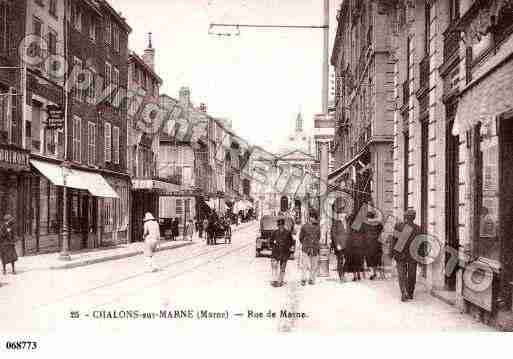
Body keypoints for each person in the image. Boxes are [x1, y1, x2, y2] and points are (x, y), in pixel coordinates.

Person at [391, 209, 422, 302]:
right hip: (413, 255)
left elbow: (394, 241)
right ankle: (410, 292)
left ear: (405, 217)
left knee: (401, 274)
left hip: (400, 254)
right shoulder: (418, 228)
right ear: (414, 217)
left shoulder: (398, 226)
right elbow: (420, 243)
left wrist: (392, 253)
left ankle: (404, 292)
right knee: (412, 274)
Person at [270, 218, 295, 287]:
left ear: (283, 225)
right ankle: (275, 280)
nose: (280, 226)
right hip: (276, 252)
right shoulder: (274, 233)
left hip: (284, 252)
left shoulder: (287, 233)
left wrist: (288, 248)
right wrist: (273, 246)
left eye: (281, 225)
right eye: (279, 225)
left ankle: (280, 281)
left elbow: (291, 242)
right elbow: (270, 242)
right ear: (278, 226)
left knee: (282, 268)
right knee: (274, 267)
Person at [299, 211, 321, 286]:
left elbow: (318, 237)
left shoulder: (318, 227)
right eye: (312, 217)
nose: (313, 219)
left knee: (314, 265)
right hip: (306, 248)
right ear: (310, 218)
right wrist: (305, 244)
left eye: (315, 218)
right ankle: (303, 279)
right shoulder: (304, 226)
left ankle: (311, 279)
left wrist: (315, 244)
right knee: (304, 265)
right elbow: (301, 237)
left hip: (314, 248)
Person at [362, 211, 384, 280]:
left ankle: (373, 273)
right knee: (378, 259)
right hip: (377, 243)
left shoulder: (364, 224)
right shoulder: (378, 224)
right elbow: (381, 229)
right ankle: (380, 275)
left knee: (370, 259)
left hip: (368, 244)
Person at [345, 213, 365, 281]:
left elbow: (348, 235)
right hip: (360, 245)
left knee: (353, 261)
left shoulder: (350, 227)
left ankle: (355, 276)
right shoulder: (360, 226)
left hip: (352, 245)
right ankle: (359, 275)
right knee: (358, 261)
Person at [331, 211, 349, 283]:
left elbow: (349, 233)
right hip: (339, 245)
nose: (342, 215)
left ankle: (343, 274)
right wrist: (337, 244)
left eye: (344, 213)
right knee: (340, 260)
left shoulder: (347, 222)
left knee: (347, 260)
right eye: (341, 214)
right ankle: (341, 276)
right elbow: (333, 234)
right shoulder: (336, 223)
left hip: (347, 244)